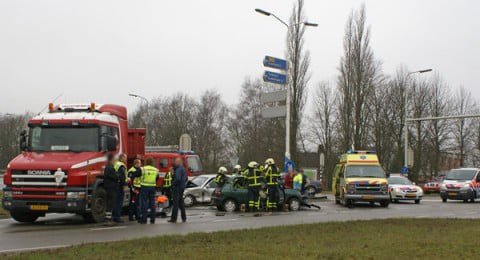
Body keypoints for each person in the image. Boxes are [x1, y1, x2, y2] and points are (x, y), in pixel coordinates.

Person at [139, 157, 159, 224]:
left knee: (144, 203)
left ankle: (144, 219)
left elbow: (138, 175)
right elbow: (157, 178)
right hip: (152, 187)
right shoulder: (156, 170)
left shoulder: (143, 169)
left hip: (144, 187)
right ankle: (152, 219)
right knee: (152, 203)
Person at [169, 157, 187, 223]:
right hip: (181, 188)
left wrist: (172, 184)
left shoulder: (179, 169)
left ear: (179, 162)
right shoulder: (183, 169)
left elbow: (177, 178)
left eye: (176, 162)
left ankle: (174, 219)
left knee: (175, 204)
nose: (174, 163)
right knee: (181, 204)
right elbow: (186, 178)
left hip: (177, 188)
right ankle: (184, 218)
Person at [103, 153, 119, 226]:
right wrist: (118, 175)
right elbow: (115, 177)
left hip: (108, 187)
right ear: (111, 159)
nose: (115, 160)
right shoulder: (110, 167)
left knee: (109, 203)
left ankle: (108, 219)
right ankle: (107, 220)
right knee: (110, 204)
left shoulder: (107, 167)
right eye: (114, 158)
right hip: (111, 187)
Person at [113, 153, 128, 223]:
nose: (126, 159)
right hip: (120, 186)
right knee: (119, 202)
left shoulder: (116, 164)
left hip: (115, 184)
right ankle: (117, 217)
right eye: (125, 158)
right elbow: (122, 177)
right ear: (122, 158)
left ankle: (114, 216)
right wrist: (124, 185)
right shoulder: (121, 166)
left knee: (116, 201)